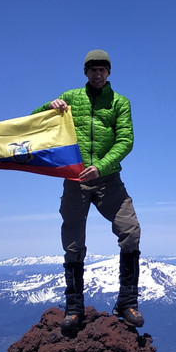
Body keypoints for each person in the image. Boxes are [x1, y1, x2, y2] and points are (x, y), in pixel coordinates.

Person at [35, 49, 143, 332]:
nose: (98, 74)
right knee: (73, 241)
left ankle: (127, 302)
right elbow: (35, 122)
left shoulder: (120, 102)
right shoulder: (70, 98)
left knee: (130, 230)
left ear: (109, 73)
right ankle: (73, 308)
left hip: (108, 179)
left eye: (102, 70)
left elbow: (125, 141)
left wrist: (102, 167)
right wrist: (49, 106)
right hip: (75, 179)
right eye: (93, 69)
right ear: (86, 72)